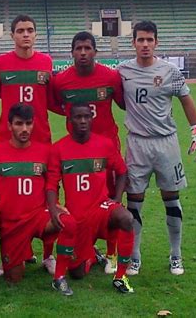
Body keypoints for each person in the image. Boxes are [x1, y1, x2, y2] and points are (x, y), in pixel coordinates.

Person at [117, 20, 196, 276]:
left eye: (149, 40)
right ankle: (134, 257)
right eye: (140, 40)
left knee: (171, 198)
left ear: (156, 42)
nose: (145, 44)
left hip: (166, 142)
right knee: (134, 201)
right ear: (133, 42)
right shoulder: (123, 71)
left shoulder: (170, 71)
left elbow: (186, 99)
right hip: (137, 143)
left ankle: (176, 255)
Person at [52, 31, 124, 274]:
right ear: (71, 52)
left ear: (95, 51)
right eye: (78, 48)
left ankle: (112, 254)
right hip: (77, 150)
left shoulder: (110, 77)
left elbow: (124, 103)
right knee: (79, 203)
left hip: (107, 148)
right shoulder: (61, 81)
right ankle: (86, 247)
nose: (83, 53)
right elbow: (55, 104)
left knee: (112, 199)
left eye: (87, 48)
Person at [0, 103, 77, 291]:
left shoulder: (45, 152)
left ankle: (59, 276)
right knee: (13, 278)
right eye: (19, 124)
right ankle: (20, 253)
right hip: (12, 222)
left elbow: (51, 184)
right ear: (9, 126)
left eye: (28, 123)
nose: (24, 129)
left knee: (68, 221)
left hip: (38, 216)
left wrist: (55, 206)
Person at [47, 103, 135, 294]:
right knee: (77, 273)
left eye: (87, 116)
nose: (83, 121)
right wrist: (54, 209)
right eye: (78, 117)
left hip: (101, 208)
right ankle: (91, 256)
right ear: (70, 121)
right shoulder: (58, 149)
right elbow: (51, 184)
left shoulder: (104, 144)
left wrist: (116, 199)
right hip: (77, 216)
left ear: (92, 118)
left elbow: (121, 171)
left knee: (126, 218)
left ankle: (120, 276)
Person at [0, 14, 59, 144]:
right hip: (8, 136)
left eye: (30, 30)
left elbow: (50, 100)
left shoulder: (45, 61)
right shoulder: (0, 63)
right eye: (20, 31)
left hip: (40, 135)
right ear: (12, 36)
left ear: (35, 35)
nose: (26, 34)